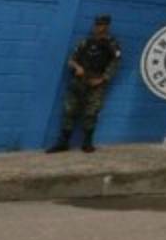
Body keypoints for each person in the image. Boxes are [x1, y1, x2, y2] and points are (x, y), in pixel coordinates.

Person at [47, 14, 121, 153]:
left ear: (106, 26)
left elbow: (115, 63)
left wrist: (103, 79)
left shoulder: (112, 44)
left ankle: (87, 143)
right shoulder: (85, 42)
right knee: (69, 110)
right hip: (79, 81)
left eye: (100, 25)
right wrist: (77, 67)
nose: (97, 27)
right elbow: (71, 59)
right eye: (96, 24)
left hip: (96, 82)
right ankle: (63, 142)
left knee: (91, 112)